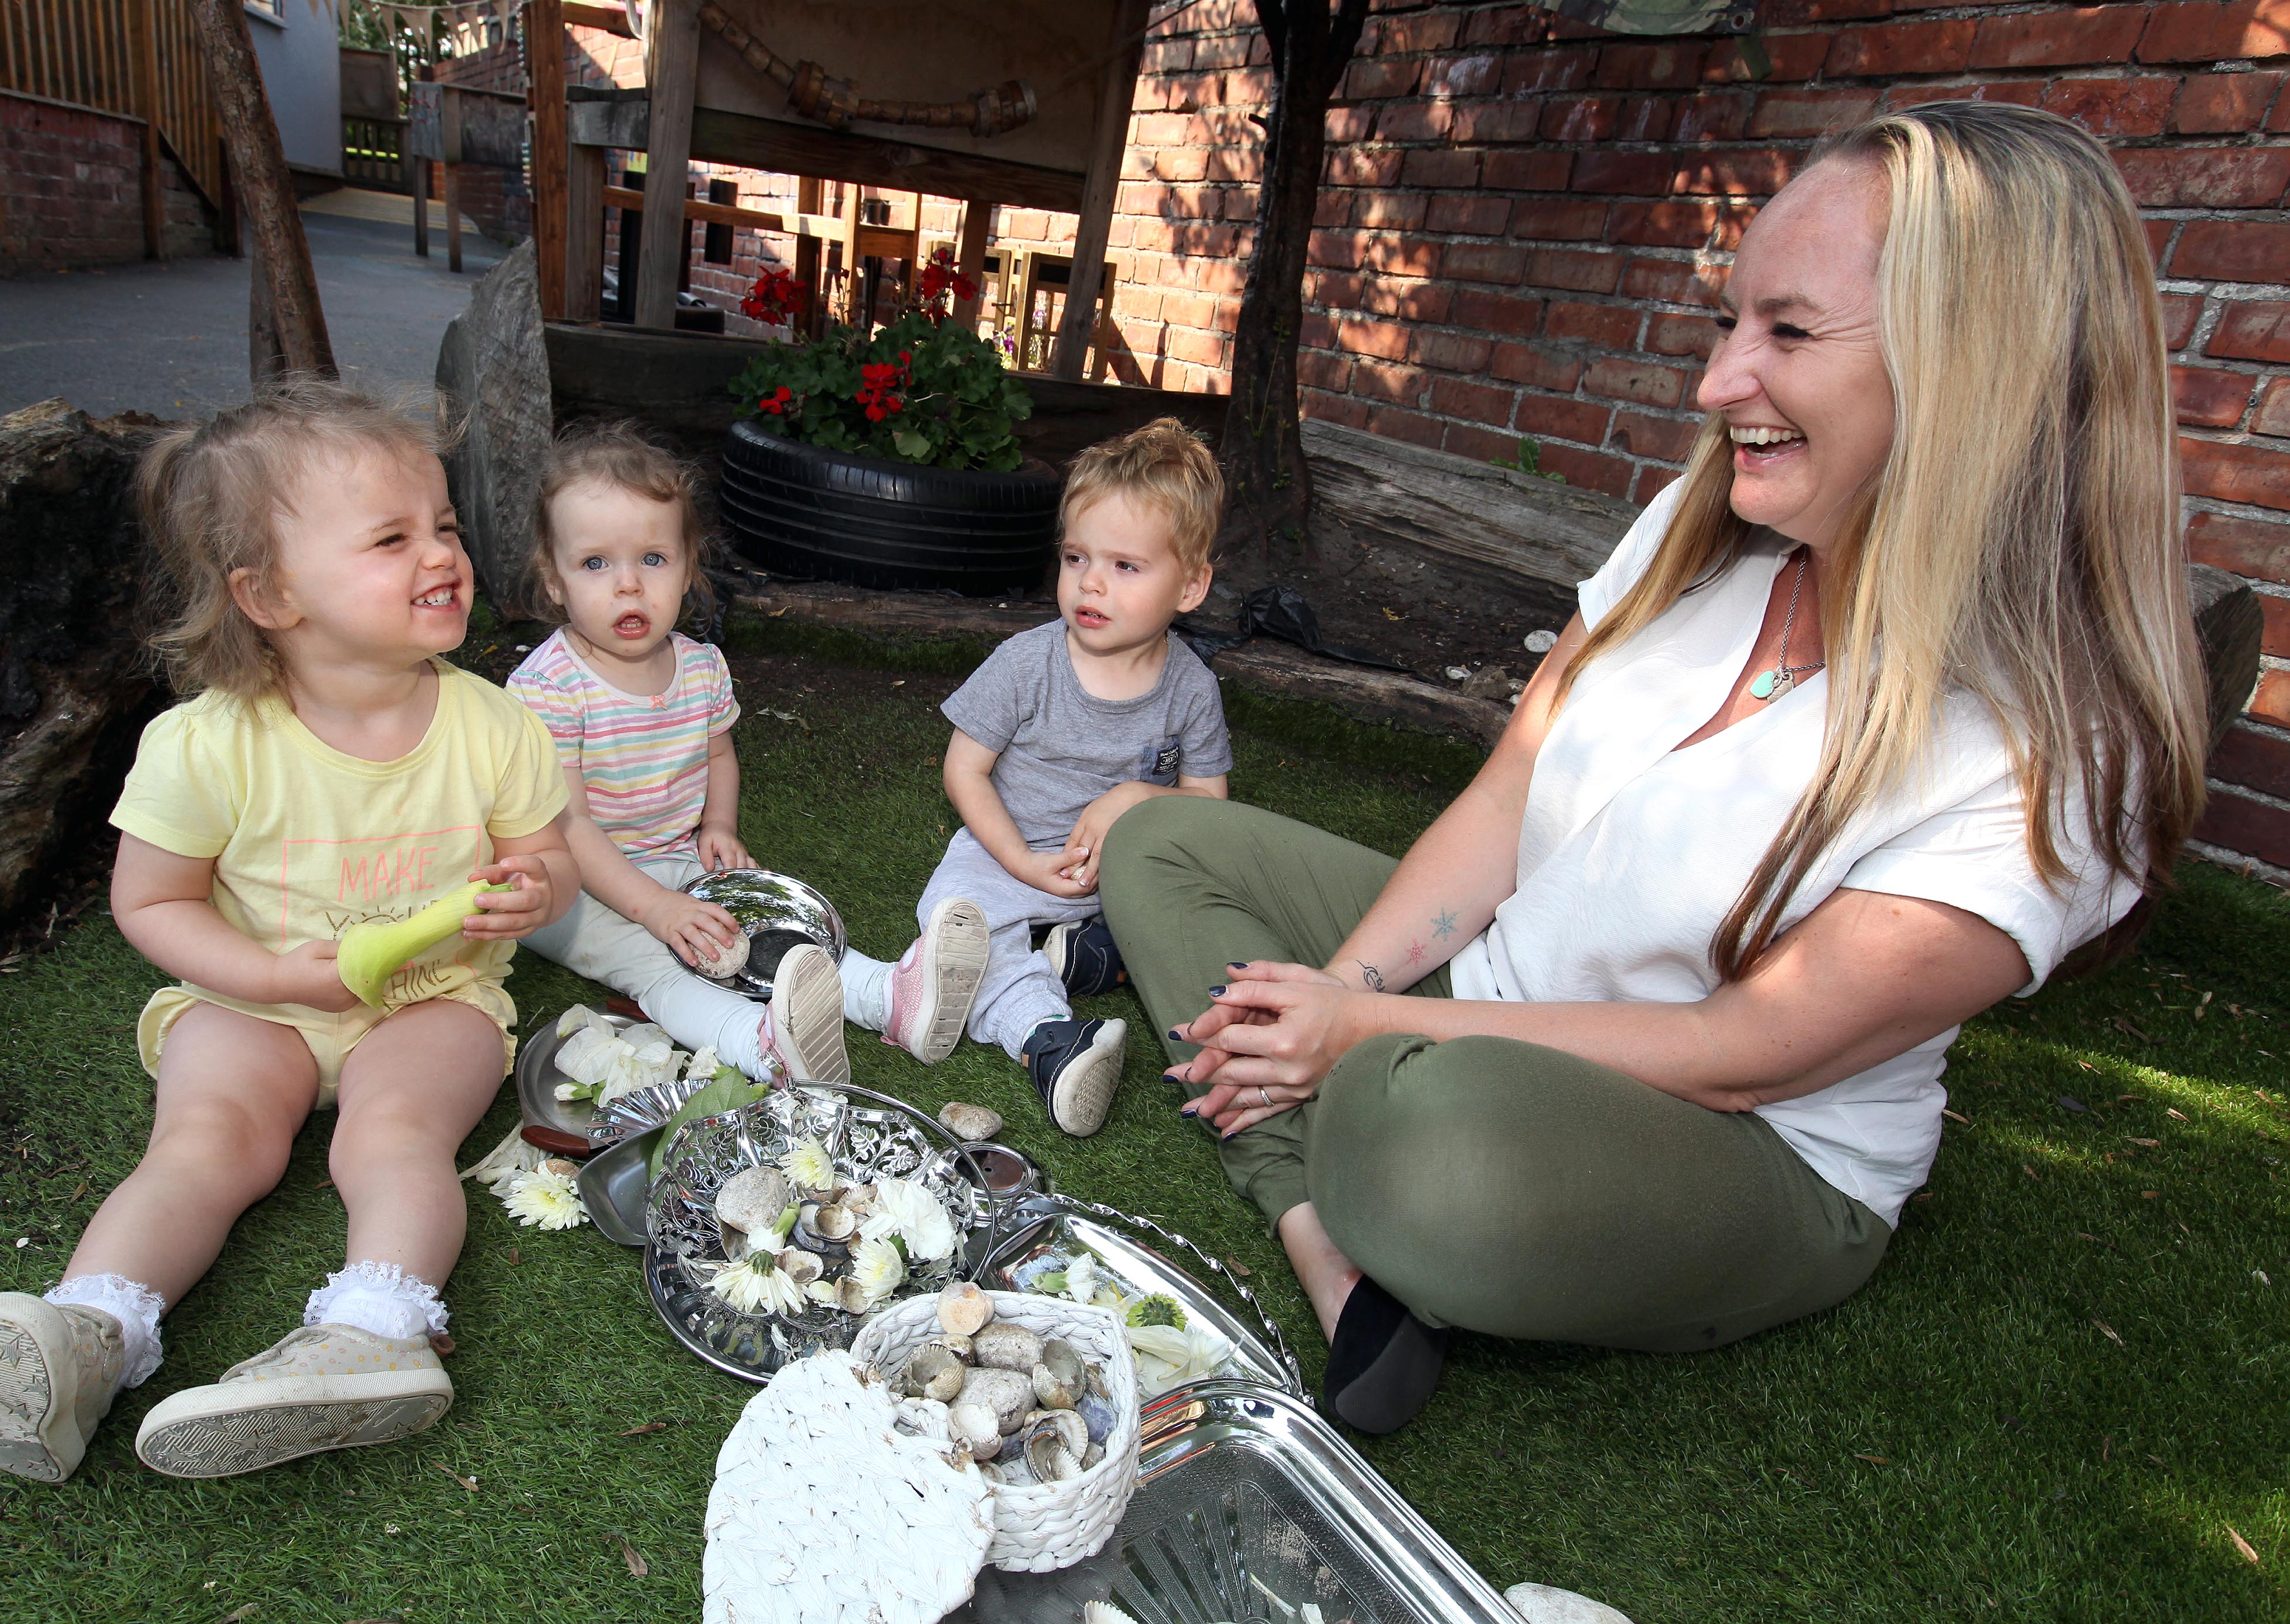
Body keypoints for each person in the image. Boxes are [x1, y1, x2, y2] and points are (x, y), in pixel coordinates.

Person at [1102, 102, 2208, 1435]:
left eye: (1786, 332)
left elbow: (1740, 1053)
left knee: (1422, 1133)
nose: (1717, 383)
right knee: (1157, 845)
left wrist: (1364, 1031)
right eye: (1728, 323)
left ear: (1978, 368)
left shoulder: (2052, 759)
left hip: (1736, 1139)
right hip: (1501, 990)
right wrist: (1340, 990)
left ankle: (1354, 1150)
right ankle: (1317, 1237)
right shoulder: (1702, 539)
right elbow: (1512, 790)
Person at [0, 380, 583, 1481]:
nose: (441, 554)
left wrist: (531, 889)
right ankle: (86, 1338)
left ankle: (373, 1336)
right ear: (270, 593)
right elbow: (153, 904)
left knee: (393, 1141)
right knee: (203, 1146)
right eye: (390, 536)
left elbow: (549, 860)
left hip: (430, 999)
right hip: (251, 999)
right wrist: (271, 972)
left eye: (444, 526)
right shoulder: (205, 742)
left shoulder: (495, 722)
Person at [508, 422, 989, 1080]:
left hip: (673, 859)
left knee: (749, 922)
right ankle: (758, 1044)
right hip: (565, 887)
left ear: (686, 568)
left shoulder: (700, 667)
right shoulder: (550, 687)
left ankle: (891, 997)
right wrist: (655, 906)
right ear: (554, 579)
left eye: (652, 559)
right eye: (596, 563)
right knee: (658, 960)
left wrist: (717, 826)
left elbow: (717, 757)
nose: (628, 585)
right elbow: (569, 825)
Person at [930, 417, 1234, 1135]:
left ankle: (1094, 954)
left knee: (1211, 917)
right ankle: (1049, 1037)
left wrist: (1132, 798)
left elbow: (1209, 806)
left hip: (1119, 875)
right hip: (1011, 852)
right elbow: (964, 770)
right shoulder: (1025, 664)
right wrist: (1021, 864)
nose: (1091, 582)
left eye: (1125, 567)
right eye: (1076, 558)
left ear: (1190, 585)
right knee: (951, 934)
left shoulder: (1191, 688)